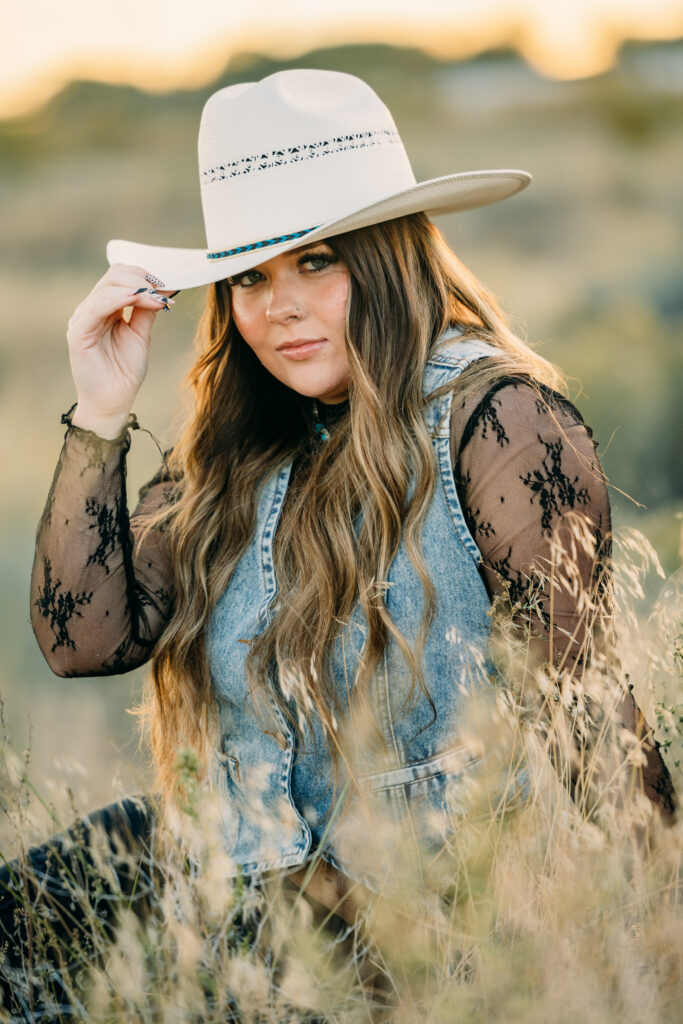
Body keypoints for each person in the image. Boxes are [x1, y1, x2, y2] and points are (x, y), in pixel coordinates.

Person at [4, 68, 676, 1019]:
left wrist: (655, 943)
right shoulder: (235, 447)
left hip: (408, 942)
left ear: (392, 255)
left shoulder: (497, 425)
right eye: (249, 276)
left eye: (316, 261)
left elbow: (591, 723)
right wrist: (103, 410)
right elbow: (84, 642)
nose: (277, 309)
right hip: (229, 904)